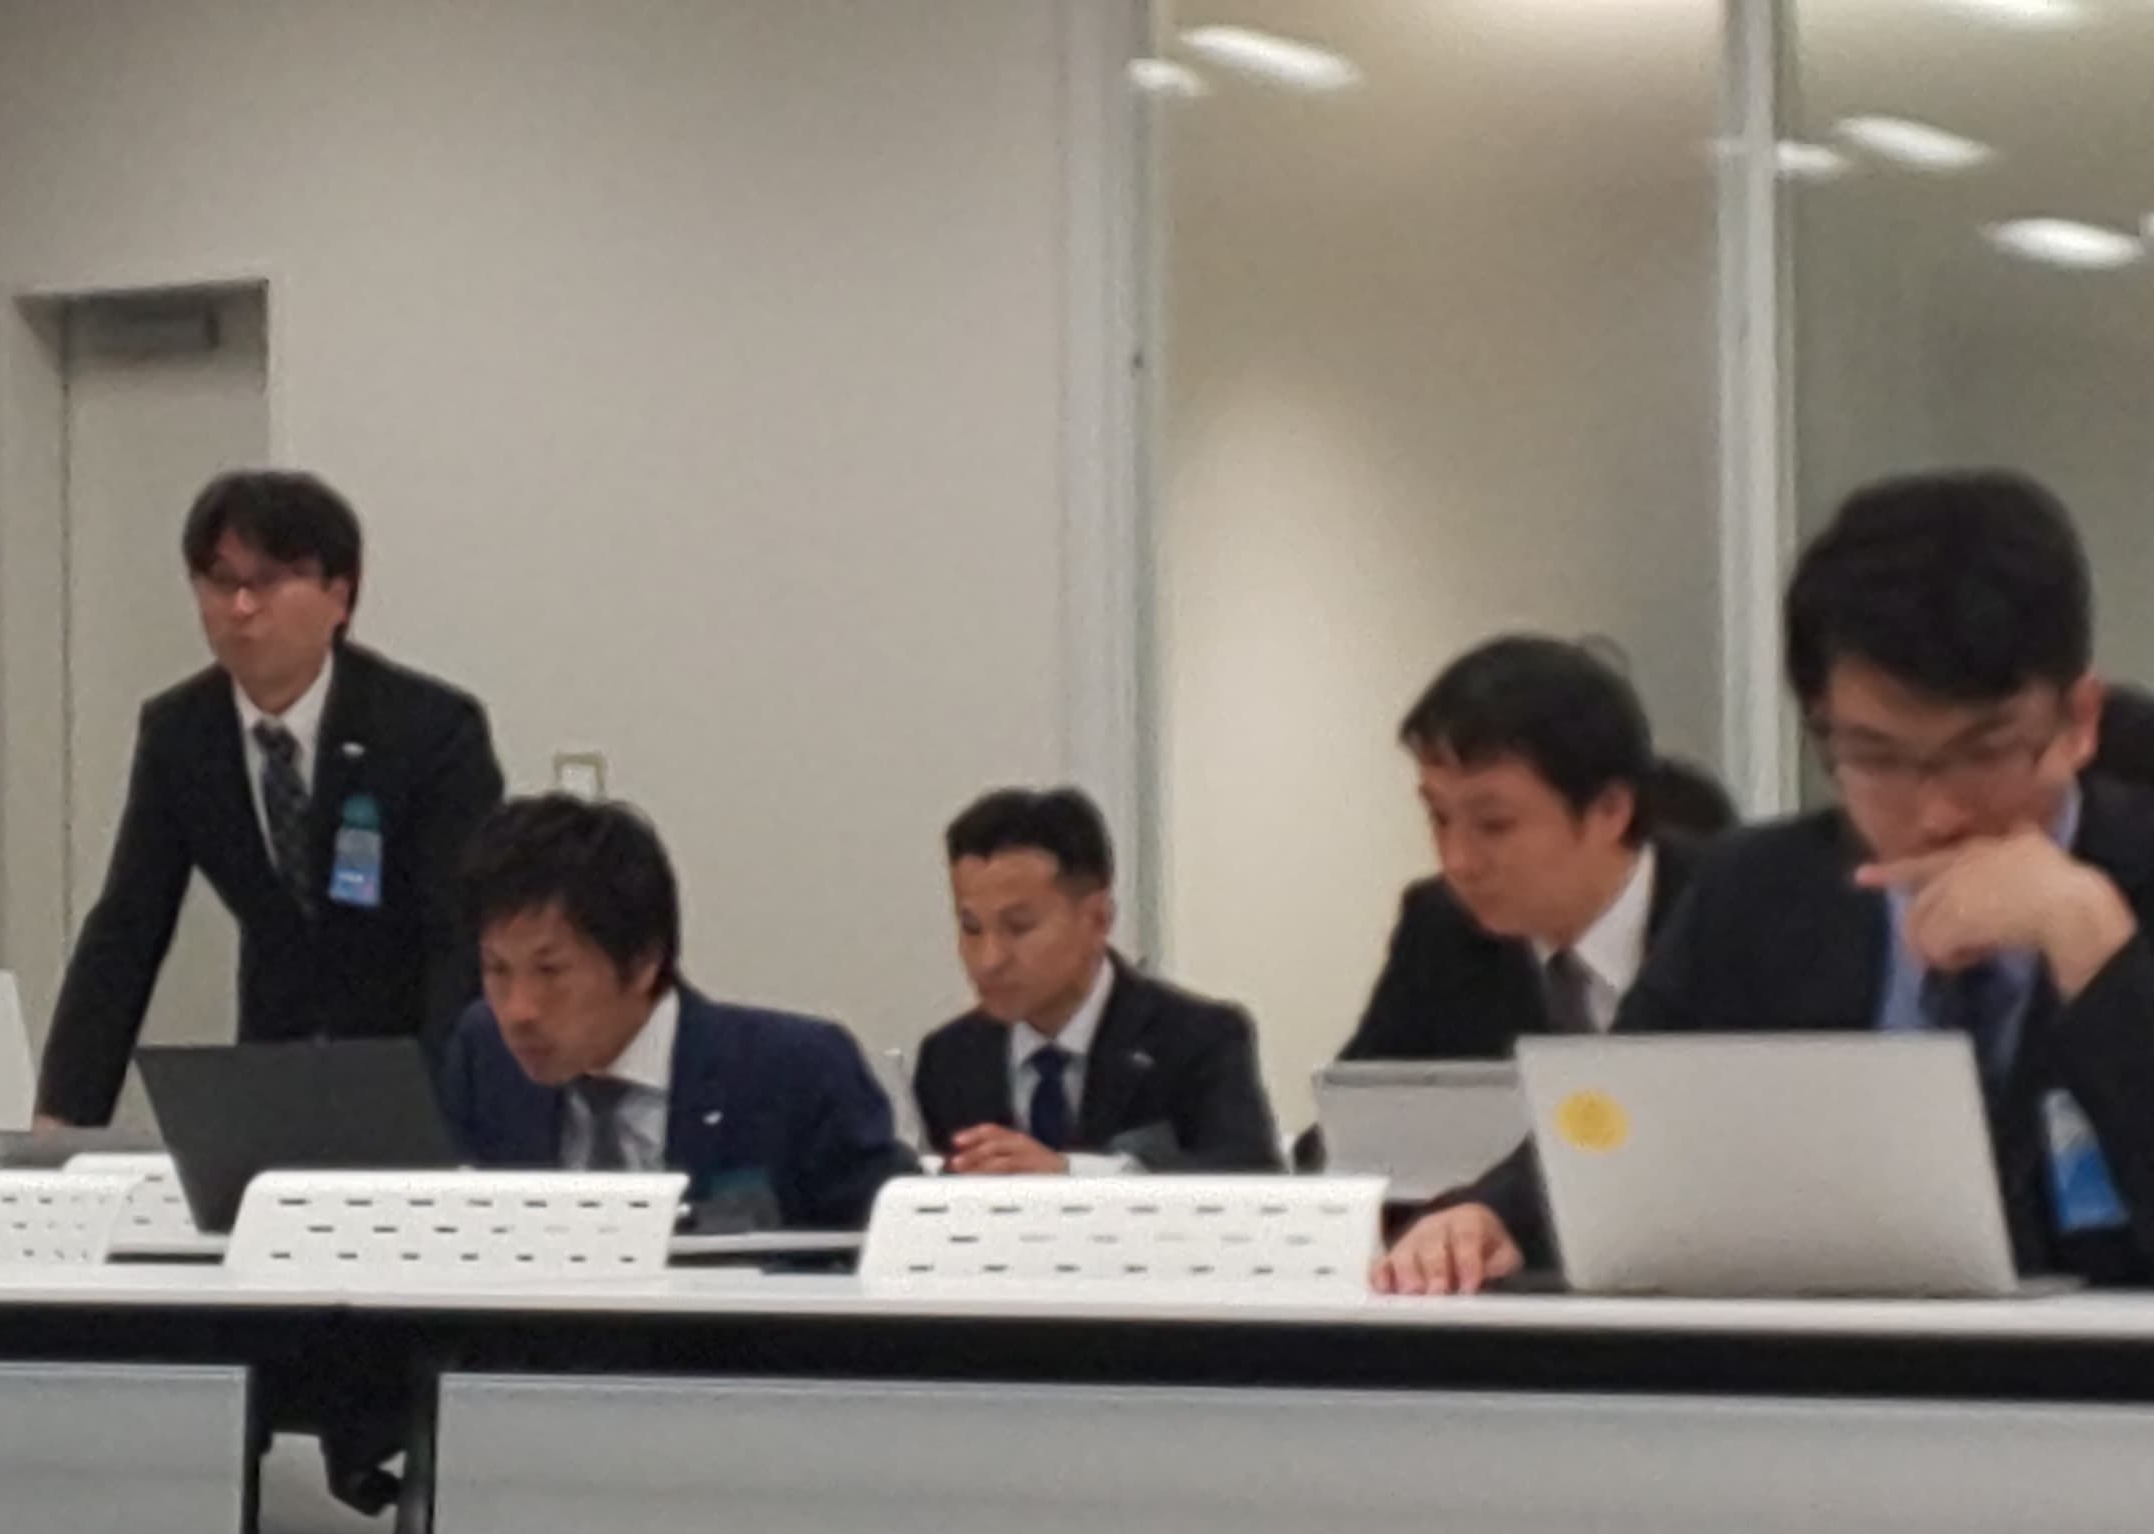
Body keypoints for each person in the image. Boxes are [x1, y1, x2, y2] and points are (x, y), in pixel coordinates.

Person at [1383, 471, 2154, 1292]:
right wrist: (1489, 1216)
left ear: (2077, 721)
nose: (1937, 812)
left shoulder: (2123, 886)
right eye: (1876, 758)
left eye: (1983, 752)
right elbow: (1623, 1116)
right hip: (1810, 1362)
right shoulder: (1756, 892)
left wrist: (2093, 949)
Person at [35, 470, 503, 1126]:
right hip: (274, 1067)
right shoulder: (181, 733)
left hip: (412, 1057)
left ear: (339, 595)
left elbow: (458, 935)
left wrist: (436, 1104)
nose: (241, 607)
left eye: (270, 581)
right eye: (220, 581)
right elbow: (128, 928)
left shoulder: (428, 728)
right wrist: (64, 1113)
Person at [435, 795, 912, 1229]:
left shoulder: (797, 1072)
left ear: (644, 961)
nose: (518, 1010)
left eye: (551, 971)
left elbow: (887, 1247)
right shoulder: (485, 1057)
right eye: (497, 970)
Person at [1337, 636, 1703, 1067]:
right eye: (1439, 818)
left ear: (1610, 810)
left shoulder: (1735, 914)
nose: (1458, 861)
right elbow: (1365, 1100)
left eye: (1494, 825)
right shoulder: (1441, 928)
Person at [913, 788, 1278, 1173]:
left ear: (1098, 919)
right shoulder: (949, 1058)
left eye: (1019, 927)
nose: (989, 959)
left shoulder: (1199, 1040)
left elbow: (1247, 1177)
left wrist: (1074, 1176)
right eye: (971, 928)